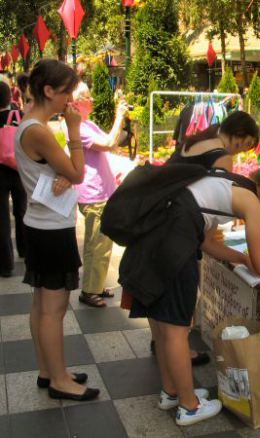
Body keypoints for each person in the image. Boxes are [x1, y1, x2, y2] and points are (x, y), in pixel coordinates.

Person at [116, 165, 260, 426]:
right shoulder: (251, 201)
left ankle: (172, 392)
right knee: (177, 331)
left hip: (153, 243)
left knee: (162, 325)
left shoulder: (225, 183)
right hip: (175, 250)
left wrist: (241, 259)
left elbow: (208, 242)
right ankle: (189, 407)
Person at [14, 59, 99, 401]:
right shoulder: (38, 130)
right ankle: (59, 380)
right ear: (48, 91)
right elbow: (78, 172)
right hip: (51, 228)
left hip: (41, 223)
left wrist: (63, 173)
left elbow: (63, 173)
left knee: (42, 305)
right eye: (67, 93)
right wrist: (75, 129)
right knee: (54, 308)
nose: (70, 101)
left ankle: (48, 370)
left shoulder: (30, 126)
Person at [152, 110, 260, 366]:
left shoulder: (198, 139)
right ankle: (181, 375)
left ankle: (164, 353)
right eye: (242, 145)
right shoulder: (221, 156)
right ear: (237, 134)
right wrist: (242, 258)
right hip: (180, 230)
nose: (238, 153)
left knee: (161, 307)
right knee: (179, 318)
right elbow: (208, 230)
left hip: (158, 218)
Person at [62, 82, 128, 308]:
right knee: (97, 244)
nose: (92, 101)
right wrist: (119, 116)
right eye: (88, 98)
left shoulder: (86, 123)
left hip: (101, 192)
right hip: (94, 194)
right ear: (77, 103)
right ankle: (90, 290)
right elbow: (109, 143)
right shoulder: (78, 128)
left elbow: (113, 140)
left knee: (100, 243)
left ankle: (95, 285)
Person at [0, 81, 26, 277]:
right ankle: (25, 251)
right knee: (22, 211)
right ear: (9, 97)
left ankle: (6, 264)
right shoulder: (19, 116)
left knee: (1, 218)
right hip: (19, 169)